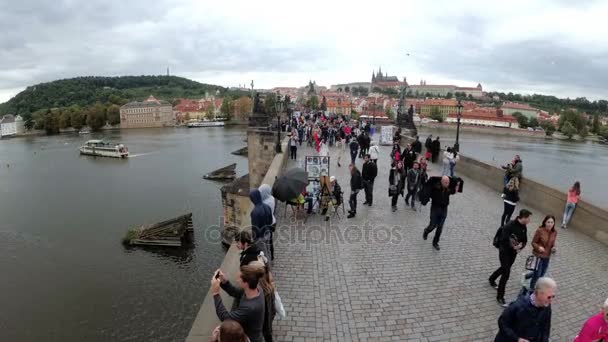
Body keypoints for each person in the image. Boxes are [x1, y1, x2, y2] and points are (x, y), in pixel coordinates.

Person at [212, 264, 266, 342]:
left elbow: (225, 317)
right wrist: (224, 281)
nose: (236, 280)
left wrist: (215, 293)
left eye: (239, 278)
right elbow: (236, 292)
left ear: (246, 283)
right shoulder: (256, 289)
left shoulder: (250, 307)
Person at [489, 209, 531, 306]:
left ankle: (492, 278)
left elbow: (525, 240)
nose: (529, 220)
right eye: (528, 218)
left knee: (504, 268)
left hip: (513, 253)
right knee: (506, 272)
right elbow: (503, 240)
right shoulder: (509, 225)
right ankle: (500, 296)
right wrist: (512, 246)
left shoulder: (524, 227)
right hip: (504, 252)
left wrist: (521, 246)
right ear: (523, 217)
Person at [494, 277, 555, 342]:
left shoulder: (546, 305)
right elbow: (502, 324)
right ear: (539, 293)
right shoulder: (518, 306)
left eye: (553, 296)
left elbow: (546, 328)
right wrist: (517, 339)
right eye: (549, 297)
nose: (551, 300)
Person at [421, 176, 459, 250]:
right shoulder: (435, 187)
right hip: (435, 208)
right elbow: (427, 190)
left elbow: (454, 191)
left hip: (444, 209)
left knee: (440, 227)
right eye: (445, 182)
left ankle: (435, 242)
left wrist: (457, 185)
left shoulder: (448, 188)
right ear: (441, 182)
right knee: (433, 225)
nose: (447, 184)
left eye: (448, 183)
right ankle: (426, 231)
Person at [529, 215, 557, 290]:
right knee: (537, 275)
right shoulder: (540, 231)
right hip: (538, 256)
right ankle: (531, 289)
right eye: (548, 222)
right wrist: (538, 247)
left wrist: (553, 248)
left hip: (547, 257)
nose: (550, 224)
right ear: (545, 222)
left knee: (542, 274)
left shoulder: (554, 232)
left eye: (552, 222)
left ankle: (528, 275)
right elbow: (533, 242)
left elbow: (553, 243)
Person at [249, 189, 273, 257]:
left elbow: (255, 228)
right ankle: (271, 264)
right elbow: (270, 221)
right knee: (268, 251)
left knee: (263, 255)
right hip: (267, 232)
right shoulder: (267, 206)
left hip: (260, 237)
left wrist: (254, 239)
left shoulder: (254, 212)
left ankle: (269, 267)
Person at [258, 184, 276, 260]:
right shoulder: (271, 198)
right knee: (270, 239)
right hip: (273, 221)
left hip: (267, 224)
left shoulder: (265, 203)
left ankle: (268, 257)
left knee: (267, 242)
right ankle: (271, 255)